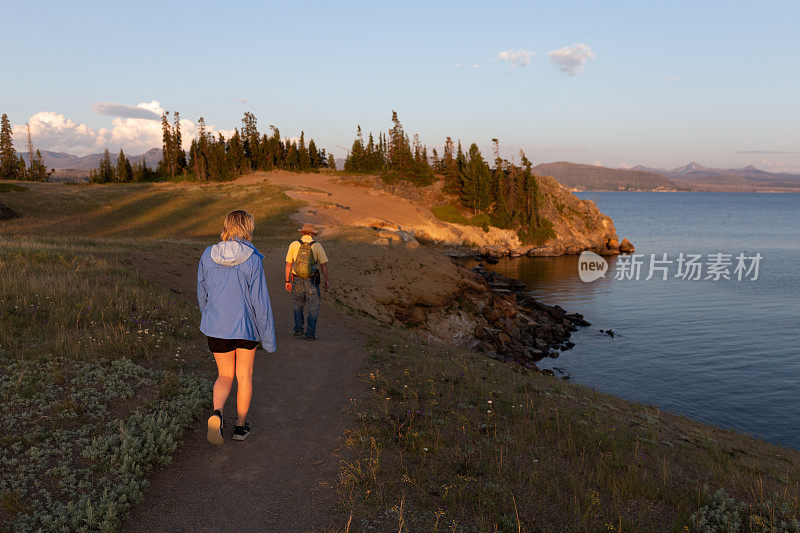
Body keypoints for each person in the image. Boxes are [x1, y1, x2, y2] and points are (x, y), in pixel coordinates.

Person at [197, 210, 276, 445]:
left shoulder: (207, 255)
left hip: (217, 326)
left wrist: (209, 319)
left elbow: (202, 293)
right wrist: (268, 338)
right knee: (244, 375)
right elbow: (260, 302)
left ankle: (217, 412)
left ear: (227, 226)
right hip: (246, 328)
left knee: (224, 375)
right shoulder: (252, 259)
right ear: (247, 227)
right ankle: (240, 426)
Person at [284, 223, 329, 341]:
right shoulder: (317, 246)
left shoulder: (294, 244)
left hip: (296, 279)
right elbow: (324, 265)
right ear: (313, 233)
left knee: (298, 305)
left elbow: (288, 265)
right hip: (312, 280)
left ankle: (298, 329)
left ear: (302, 232)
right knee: (313, 307)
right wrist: (327, 281)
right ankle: (310, 333)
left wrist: (287, 281)